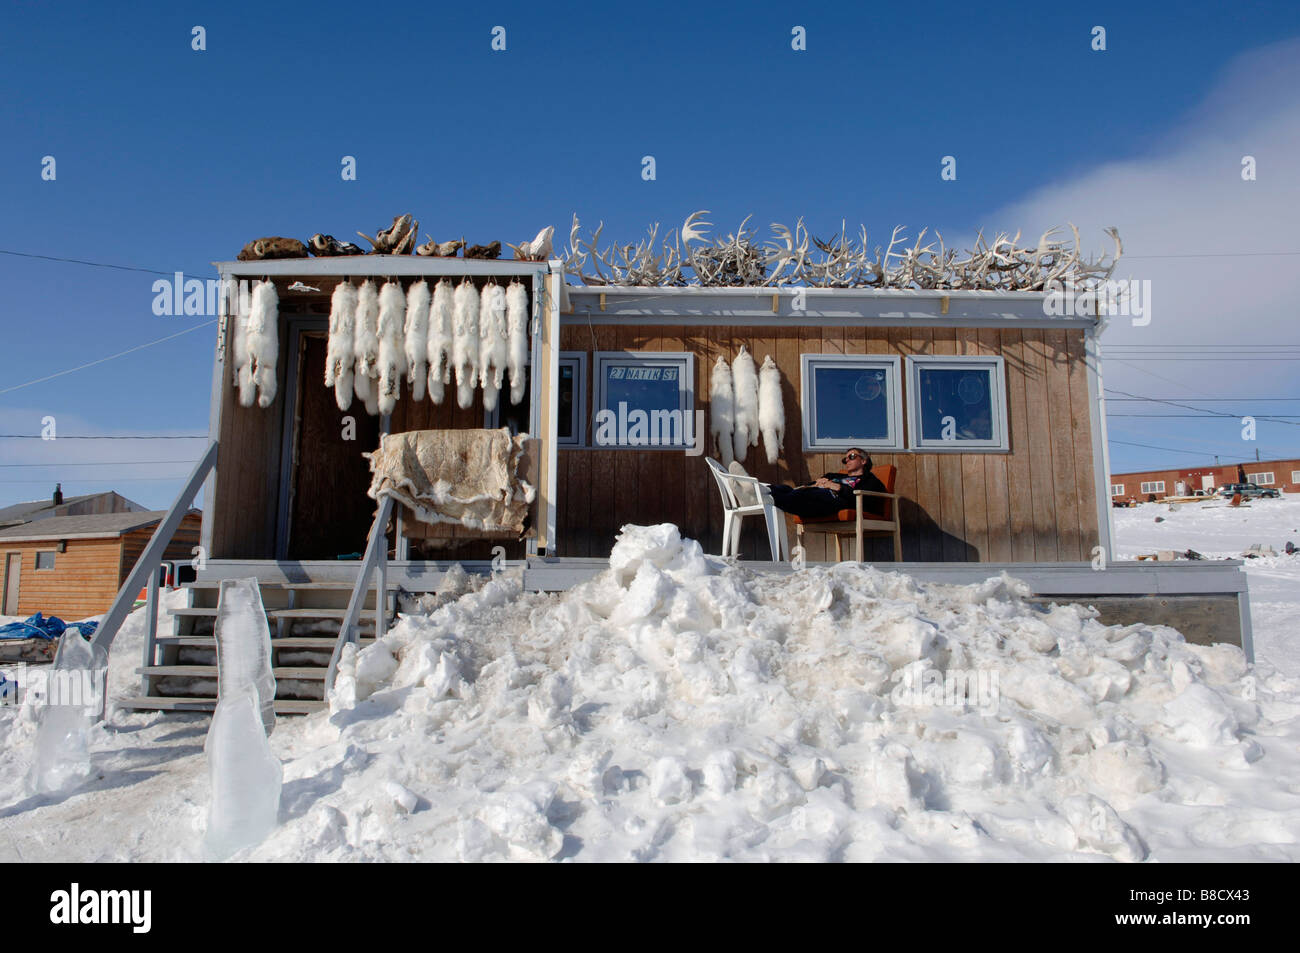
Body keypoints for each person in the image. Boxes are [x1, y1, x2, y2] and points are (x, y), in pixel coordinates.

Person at [767, 449, 887, 520]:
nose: (847, 461)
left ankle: (766, 498)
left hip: (837, 500)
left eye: (851, 457)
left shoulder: (870, 480)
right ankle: (765, 491)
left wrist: (838, 487)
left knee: (795, 496)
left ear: (863, 460)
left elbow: (871, 499)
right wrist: (816, 484)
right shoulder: (834, 475)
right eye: (845, 459)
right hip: (815, 497)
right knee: (786, 490)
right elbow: (810, 485)